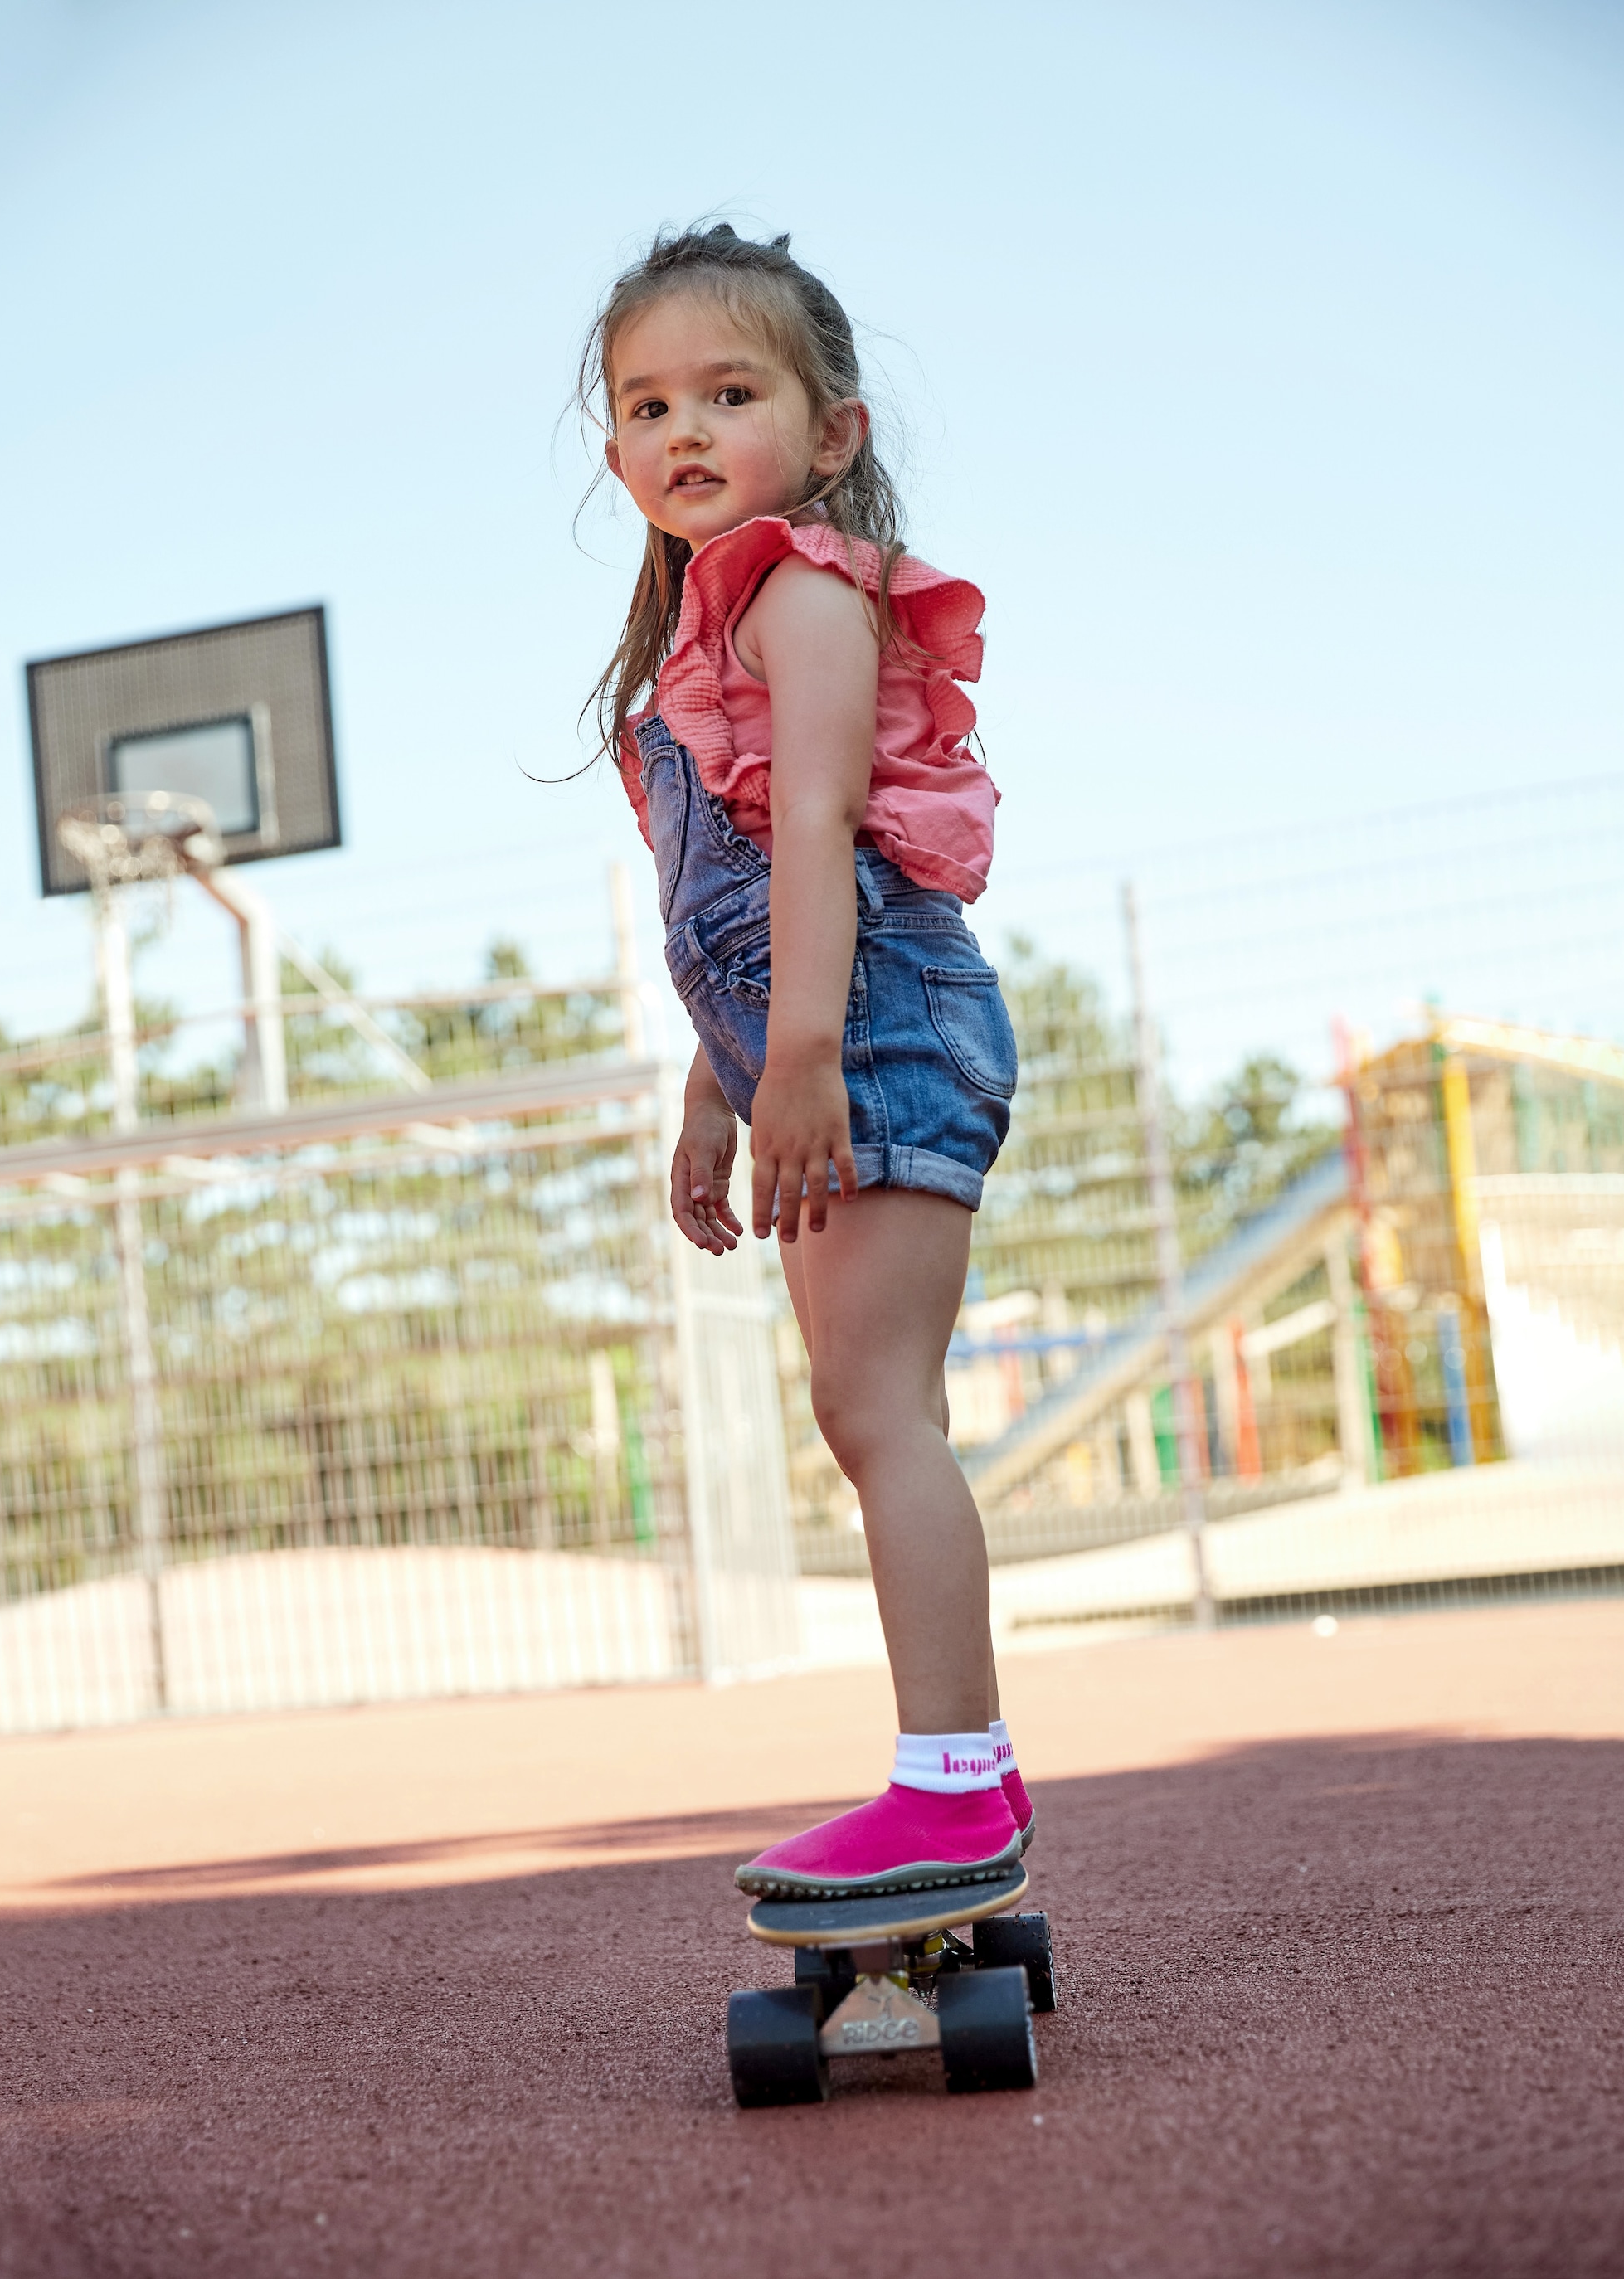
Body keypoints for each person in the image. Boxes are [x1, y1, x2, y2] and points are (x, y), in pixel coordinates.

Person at [579, 221, 1033, 1898]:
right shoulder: (698, 645)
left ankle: (954, 1788)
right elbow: (742, 893)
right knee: (864, 1409)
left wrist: (806, 1059)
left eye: (727, 391)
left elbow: (826, 836)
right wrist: (721, 1083)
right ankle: (955, 1782)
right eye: (643, 406)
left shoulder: (809, 595)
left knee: (876, 1407)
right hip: (815, 1038)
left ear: (829, 429)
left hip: (880, 1026)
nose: (679, 431)